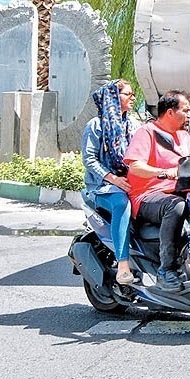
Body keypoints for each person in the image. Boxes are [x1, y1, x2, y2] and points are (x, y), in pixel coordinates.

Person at [123, 90, 190, 291]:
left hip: (181, 191)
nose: (189, 115)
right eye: (186, 110)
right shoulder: (147, 132)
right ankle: (166, 271)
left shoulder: (184, 137)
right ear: (170, 112)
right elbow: (135, 166)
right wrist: (164, 173)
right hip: (148, 196)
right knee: (176, 207)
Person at [81, 80, 141, 285]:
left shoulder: (133, 124)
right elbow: (89, 159)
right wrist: (113, 178)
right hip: (103, 186)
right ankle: (123, 264)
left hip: (133, 180)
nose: (133, 98)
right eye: (127, 94)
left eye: (133, 94)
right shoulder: (96, 125)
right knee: (121, 204)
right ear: (113, 98)